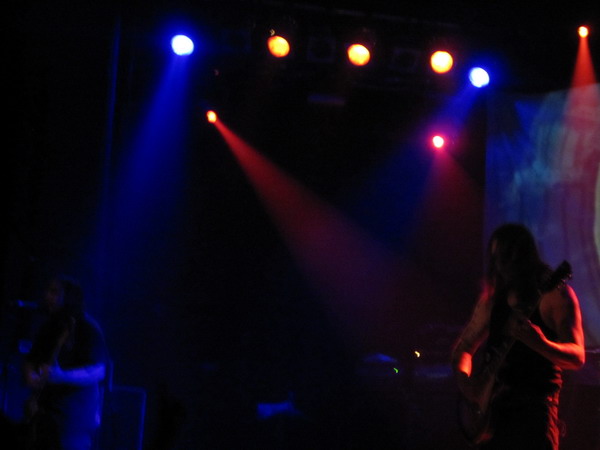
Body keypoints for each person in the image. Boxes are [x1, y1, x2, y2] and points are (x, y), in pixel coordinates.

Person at [450, 223, 585, 449]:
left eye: (508, 256)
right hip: (492, 417)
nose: (502, 265)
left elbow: (577, 356)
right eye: (497, 258)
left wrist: (540, 343)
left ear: (525, 256)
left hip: (535, 415)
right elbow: (464, 348)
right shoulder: (491, 301)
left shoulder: (555, 296)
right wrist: (467, 384)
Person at [23, 275, 108, 450]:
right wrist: (30, 374)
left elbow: (99, 371)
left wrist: (61, 376)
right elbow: (31, 359)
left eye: (55, 292)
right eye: (48, 291)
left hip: (73, 418)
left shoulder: (87, 327)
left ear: (69, 297)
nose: (48, 296)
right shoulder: (49, 326)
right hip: (45, 413)